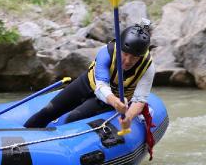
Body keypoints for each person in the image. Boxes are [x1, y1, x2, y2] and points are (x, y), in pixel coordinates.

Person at [24, 21, 155, 132]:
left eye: (134, 57)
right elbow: (101, 87)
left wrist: (128, 117)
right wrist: (114, 102)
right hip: (90, 84)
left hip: (116, 97)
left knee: (73, 118)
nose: (127, 61)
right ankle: (24, 137)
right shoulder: (106, 52)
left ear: (141, 56)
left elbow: (140, 99)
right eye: (125, 54)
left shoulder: (148, 67)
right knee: (48, 111)